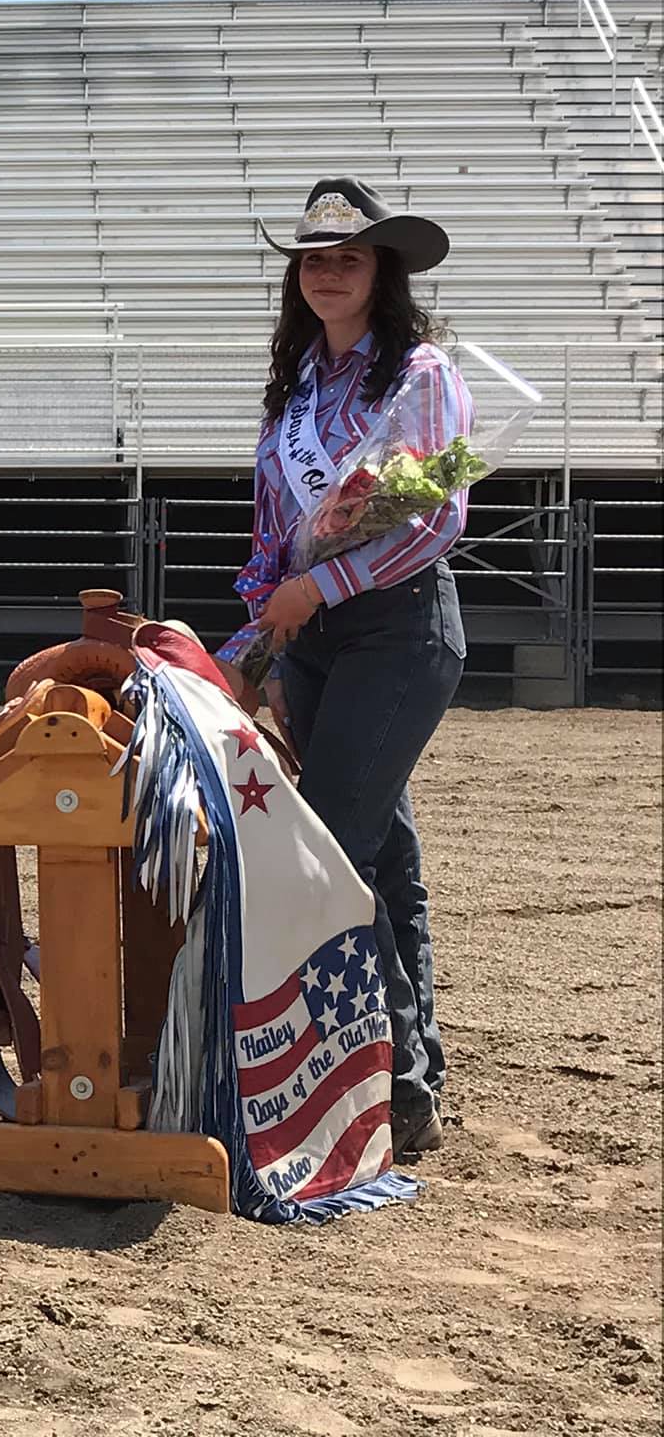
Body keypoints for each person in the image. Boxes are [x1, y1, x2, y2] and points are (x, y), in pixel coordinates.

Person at [217, 178, 472, 1155]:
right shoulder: (294, 390)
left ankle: (388, 1083)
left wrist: (318, 592)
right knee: (379, 860)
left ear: (380, 272)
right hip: (311, 645)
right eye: (313, 259)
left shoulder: (418, 375)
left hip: (396, 630)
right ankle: (409, 1089)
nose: (327, 273)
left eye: (347, 258)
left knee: (327, 854)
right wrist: (263, 642)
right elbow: (269, 539)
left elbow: (435, 518)